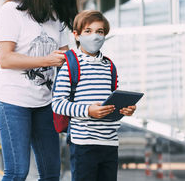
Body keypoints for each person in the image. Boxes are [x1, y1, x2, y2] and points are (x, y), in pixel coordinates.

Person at [0, 0, 78, 181]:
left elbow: (66, 58)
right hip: (13, 101)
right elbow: (5, 59)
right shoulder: (11, 11)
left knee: (51, 174)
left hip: (45, 103)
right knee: (17, 172)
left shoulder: (56, 18)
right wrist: (47, 60)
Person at [52, 10, 137, 181]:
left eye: (100, 32)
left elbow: (112, 103)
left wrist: (125, 109)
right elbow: (57, 104)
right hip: (83, 144)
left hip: (110, 143)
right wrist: (88, 110)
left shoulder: (110, 67)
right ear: (76, 35)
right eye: (88, 31)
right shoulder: (70, 65)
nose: (95, 36)